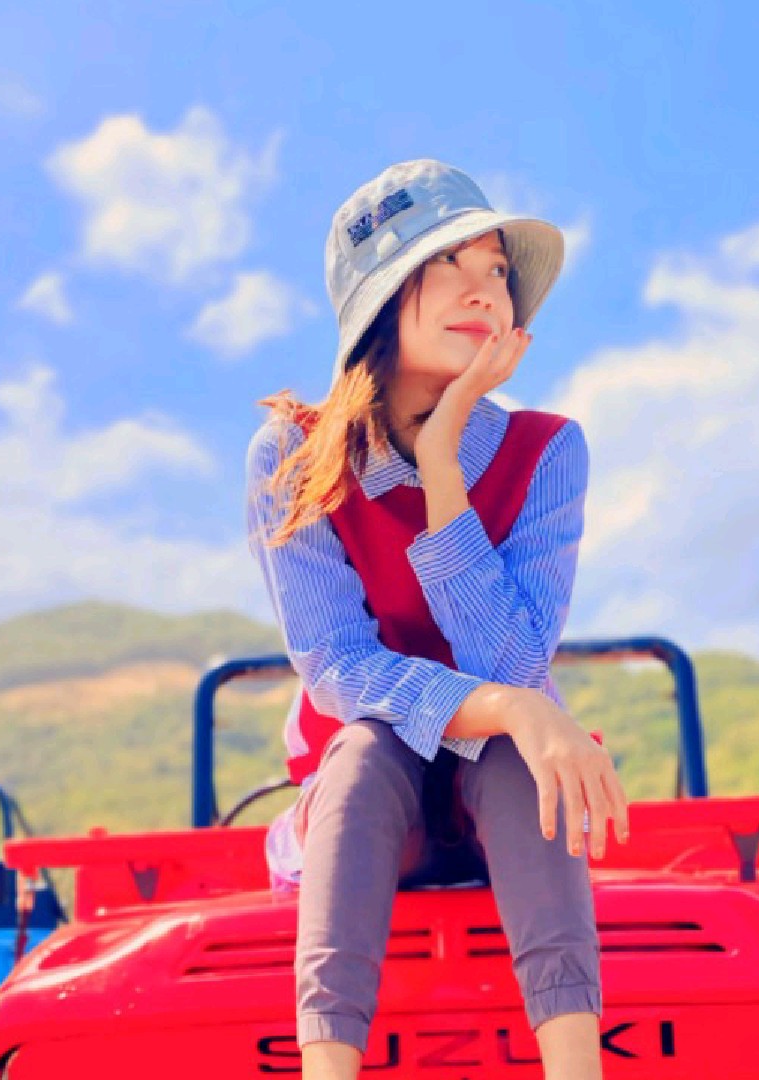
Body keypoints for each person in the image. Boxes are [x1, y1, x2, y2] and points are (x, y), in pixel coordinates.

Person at [247, 158, 630, 1080]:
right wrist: (513, 706)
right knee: (367, 749)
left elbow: (513, 660)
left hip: (505, 797)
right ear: (380, 299)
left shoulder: (547, 449)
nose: (484, 289)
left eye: (496, 268)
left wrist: (445, 465)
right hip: (366, 801)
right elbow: (336, 666)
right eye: (447, 264)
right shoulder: (292, 454)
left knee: (518, 753)